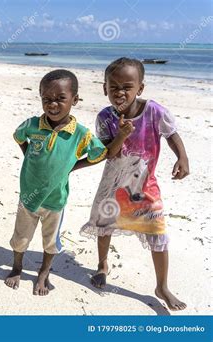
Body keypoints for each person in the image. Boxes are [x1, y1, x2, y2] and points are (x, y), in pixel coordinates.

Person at [5, 69, 133, 295]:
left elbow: (101, 154)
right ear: (41, 97)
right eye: (47, 99)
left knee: (50, 242)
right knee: (20, 238)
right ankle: (17, 267)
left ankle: (44, 272)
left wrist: (72, 166)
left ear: (74, 100)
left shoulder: (80, 134)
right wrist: (31, 156)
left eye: (60, 99)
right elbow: (19, 138)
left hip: (56, 199)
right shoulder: (33, 125)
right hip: (28, 196)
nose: (53, 104)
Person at [81, 57, 189, 311]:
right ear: (104, 88)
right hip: (113, 183)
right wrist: (121, 135)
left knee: (158, 233)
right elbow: (110, 153)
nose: (120, 92)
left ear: (140, 88)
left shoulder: (154, 111)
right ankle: (102, 264)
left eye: (127, 87)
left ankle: (161, 286)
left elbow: (171, 134)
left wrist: (182, 157)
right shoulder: (105, 117)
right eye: (114, 86)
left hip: (144, 186)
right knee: (104, 225)